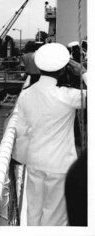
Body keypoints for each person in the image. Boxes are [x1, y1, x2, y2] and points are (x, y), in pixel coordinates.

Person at [13, 43, 87, 226]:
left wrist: (20, 158)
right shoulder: (67, 96)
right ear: (63, 71)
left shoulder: (26, 94)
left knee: (33, 213)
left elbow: (22, 131)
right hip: (60, 165)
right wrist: (83, 71)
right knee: (54, 219)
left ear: (39, 67)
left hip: (34, 160)